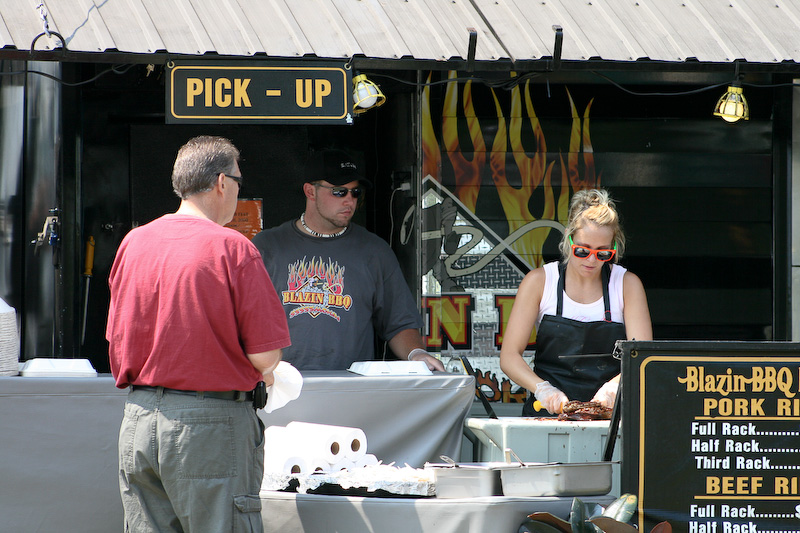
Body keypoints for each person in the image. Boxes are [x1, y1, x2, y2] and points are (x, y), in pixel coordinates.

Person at [106, 136, 291, 532]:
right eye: (238, 182)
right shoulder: (233, 247)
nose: (239, 192)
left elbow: (117, 339)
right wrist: (270, 371)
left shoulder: (133, 243)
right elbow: (265, 356)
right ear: (222, 183)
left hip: (139, 419)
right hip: (210, 427)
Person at [251, 148, 444, 372]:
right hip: (282, 384)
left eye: (355, 193)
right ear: (310, 191)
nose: (349, 201)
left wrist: (416, 353)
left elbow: (400, 322)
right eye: (339, 192)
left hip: (350, 386)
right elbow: (245, 322)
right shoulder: (267, 246)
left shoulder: (374, 251)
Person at [500, 189, 652, 416]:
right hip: (548, 415)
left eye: (602, 253)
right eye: (582, 250)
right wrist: (543, 389)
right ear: (568, 238)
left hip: (609, 417)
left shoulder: (627, 285)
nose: (591, 260)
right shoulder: (540, 282)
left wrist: (613, 388)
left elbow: (643, 359)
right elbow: (509, 356)